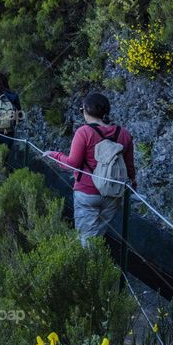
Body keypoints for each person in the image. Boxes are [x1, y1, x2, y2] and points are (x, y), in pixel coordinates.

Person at [46, 93, 137, 247]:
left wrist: (54, 155)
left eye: (82, 109)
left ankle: (87, 268)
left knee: (85, 241)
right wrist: (133, 186)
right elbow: (129, 168)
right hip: (112, 194)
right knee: (96, 238)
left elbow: (72, 163)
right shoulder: (124, 134)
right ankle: (98, 265)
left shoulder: (84, 132)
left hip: (87, 193)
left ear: (86, 111)